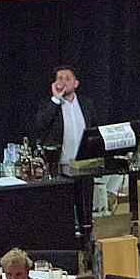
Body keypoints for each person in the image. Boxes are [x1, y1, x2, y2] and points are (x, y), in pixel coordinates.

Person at [29, 63, 94, 238]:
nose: (63, 82)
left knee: (86, 212)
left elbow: (94, 130)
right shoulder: (50, 104)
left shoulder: (87, 104)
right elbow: (40, 125)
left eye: (67, 78)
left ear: (76, 83)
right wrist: (56, 99)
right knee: (62, 212)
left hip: (84, 167)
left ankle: (86, 242)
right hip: (60, 168)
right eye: (59, 78)